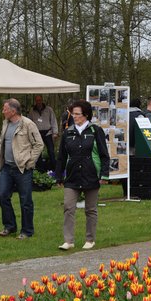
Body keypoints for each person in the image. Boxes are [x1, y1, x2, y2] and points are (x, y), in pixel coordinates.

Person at [56, 100, 110, 251]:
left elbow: (104, 155)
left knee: (90, 209)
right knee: (68, 207)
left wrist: (104, 175)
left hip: (91, 175)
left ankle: (90, 239)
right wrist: (59, 176)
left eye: (77, 114)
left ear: (85, 115)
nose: (74, 116)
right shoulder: (68, 132)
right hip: (72, 176)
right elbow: (61, 156)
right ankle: (68, 240)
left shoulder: (95, 131)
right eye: (73, 114)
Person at [0, 98, 44, 239]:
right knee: (2, 195)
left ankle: (27, 231)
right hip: (7, 168)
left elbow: (39, 144)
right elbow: (2, 144)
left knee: (26, 200)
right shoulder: (6, 123)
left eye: (5, 109)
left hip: (23, 169)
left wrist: (30, 162)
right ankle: (9, 226)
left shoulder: (28, 124)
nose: (3, 111)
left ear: (13, 111)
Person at [30, 95, 58, 171]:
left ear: (42, 100)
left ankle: (54, 169)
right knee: (38, 152)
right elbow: (29, 122)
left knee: (51, 151)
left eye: (39, 100)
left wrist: (55, 132)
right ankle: (40, 170)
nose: (38, 102)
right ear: (35, 101)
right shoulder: (32, 111)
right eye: (37, 100)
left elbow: (53, 120)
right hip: (37, 133)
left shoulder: (49, 109)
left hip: (48, 132)